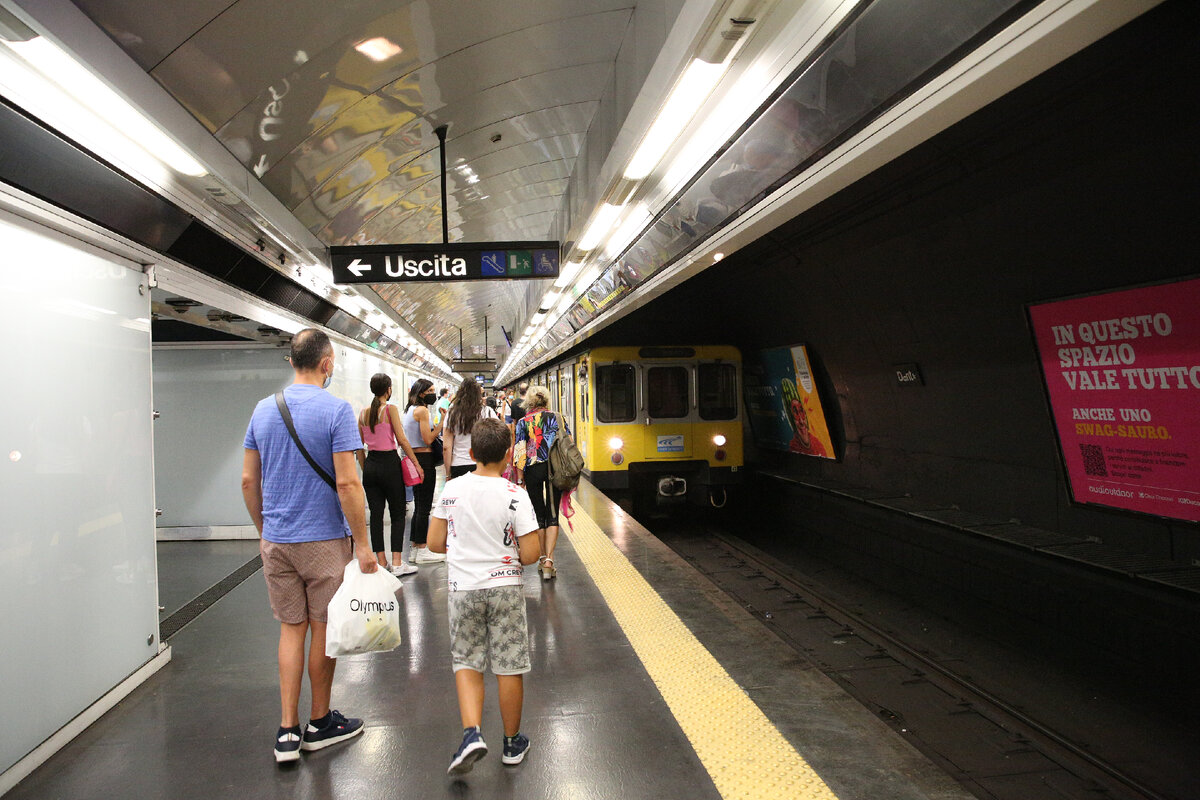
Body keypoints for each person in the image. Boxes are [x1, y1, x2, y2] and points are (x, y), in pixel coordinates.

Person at [241, 328, 377, 764]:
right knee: (323, 627)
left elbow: (248, 479)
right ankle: (319, 722)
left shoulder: (263, 410)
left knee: (290, 630)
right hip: (322, 541)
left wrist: (265, 528)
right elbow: (347, 482)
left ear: (291, 362)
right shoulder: (337, 411)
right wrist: (364, 544)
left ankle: (286, 730)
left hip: (277, 541)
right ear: (326, 363)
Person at [427, 418, 541, 774]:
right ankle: (511, 742)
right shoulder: (515, 495)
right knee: (509, 665)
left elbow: (433, 543)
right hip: (505, 588)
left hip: (463, 589)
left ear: (472, 453)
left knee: (466, 660)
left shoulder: (451, 490)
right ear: (508, 456)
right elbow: (532, 552)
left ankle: (471, 733)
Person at [357, 373, 423, 576]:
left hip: (371, 466)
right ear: (388, 389)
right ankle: (396, 562)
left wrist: (366, 465)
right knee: (397, 513)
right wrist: (416, 463)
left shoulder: (362, 413)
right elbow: (402, 440)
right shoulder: (390, 410)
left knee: (376, 516)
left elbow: (359, 446)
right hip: (389, 464)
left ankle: (382, 561)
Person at [513, 385, 569, 580]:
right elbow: (567, 441)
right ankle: (549, 562)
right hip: (555, 469)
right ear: (546, 400)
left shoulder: (523, 422)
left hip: (532, 470)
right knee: (553, 515)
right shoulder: (558, 418)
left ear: (529, 402)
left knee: (538, 514)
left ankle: (542, 556)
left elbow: (519, 451)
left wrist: (519, 478)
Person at [403, 378, 445, 564]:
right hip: (424, 460)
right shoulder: (422, 411)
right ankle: (421, 548)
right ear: (421, 393)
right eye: (431, 391)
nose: (433, 394)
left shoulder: (410, 410)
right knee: (424, 507)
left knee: (419, 505)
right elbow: (428, 439)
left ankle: (414, 547)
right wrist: (441, 423)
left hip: (415, 458)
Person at [443, 378, 500, 481]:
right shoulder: (487, 412)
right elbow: (498, 437)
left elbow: (447, 447)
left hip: (458, 464)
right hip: (483, 464)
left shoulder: (452, 413)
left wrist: (448, 473)